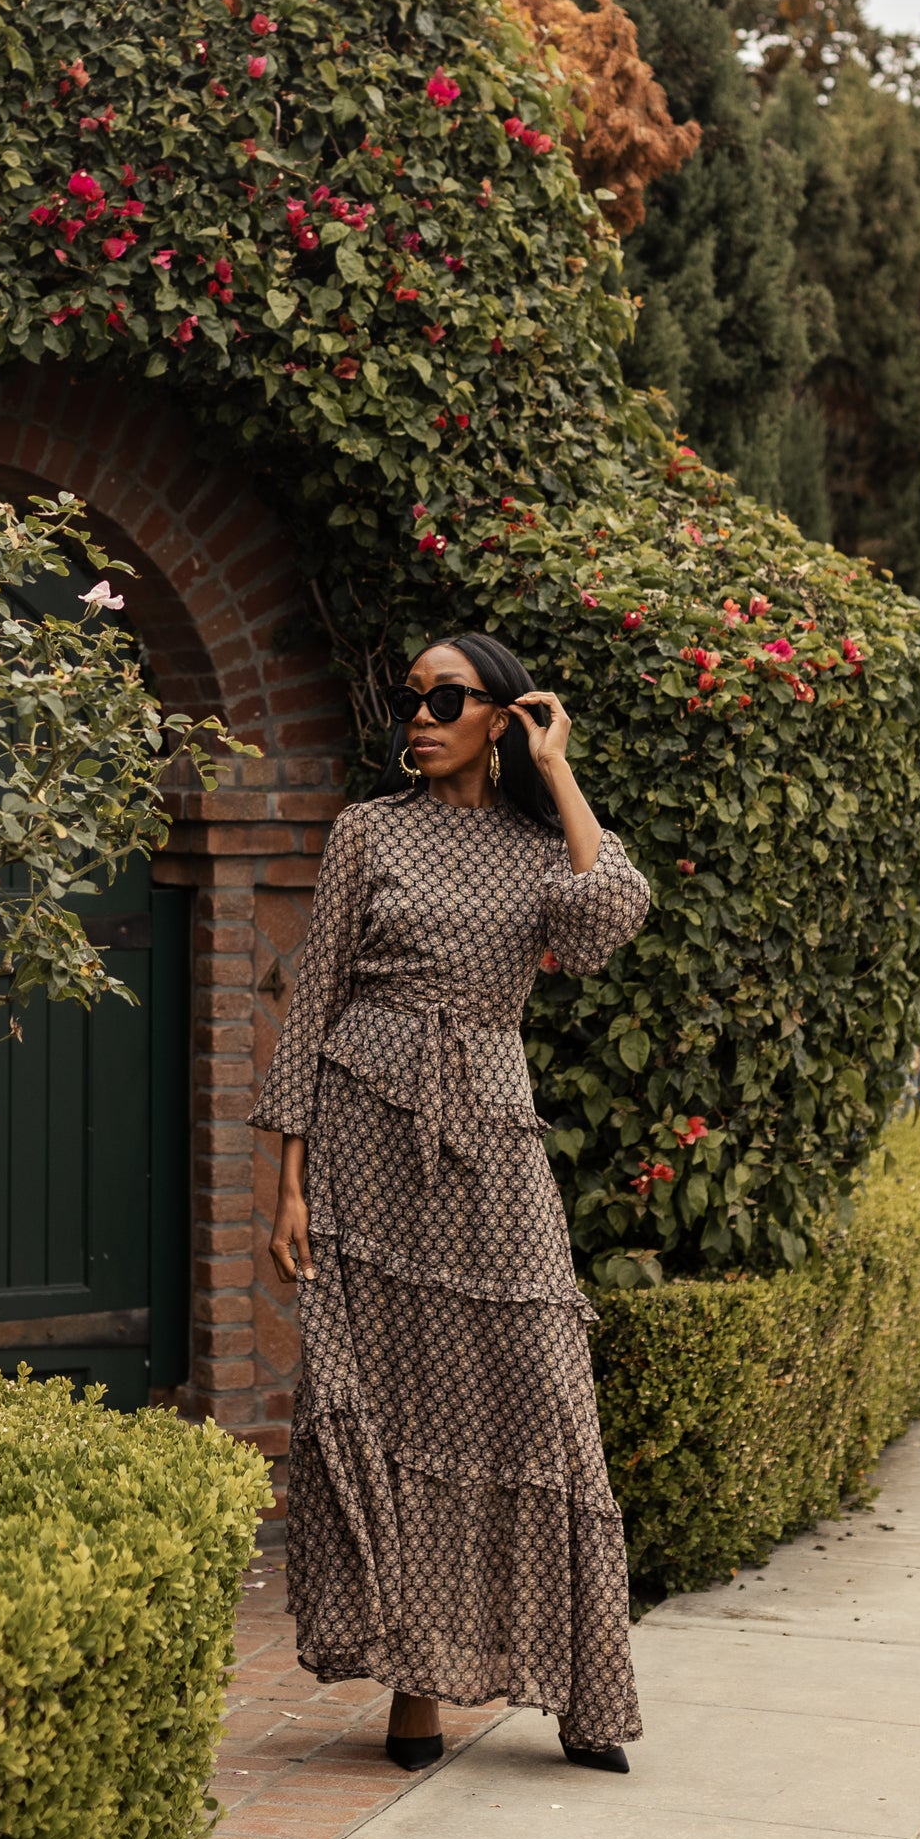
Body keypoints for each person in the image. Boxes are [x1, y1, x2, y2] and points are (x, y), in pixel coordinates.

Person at [253, 629, 651, 1772]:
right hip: (359, 1136)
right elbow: (314, 994)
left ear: (501, 716)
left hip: (486, 1127)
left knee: (543, 1397)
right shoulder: (365, 831)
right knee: (390, 1403)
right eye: (409, 697)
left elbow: (609, 914)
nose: (418, 715)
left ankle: (586, 1692)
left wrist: (560, 767)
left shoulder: (536, 852)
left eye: (446, 697)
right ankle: (414, 1690)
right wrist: (285, 1186)